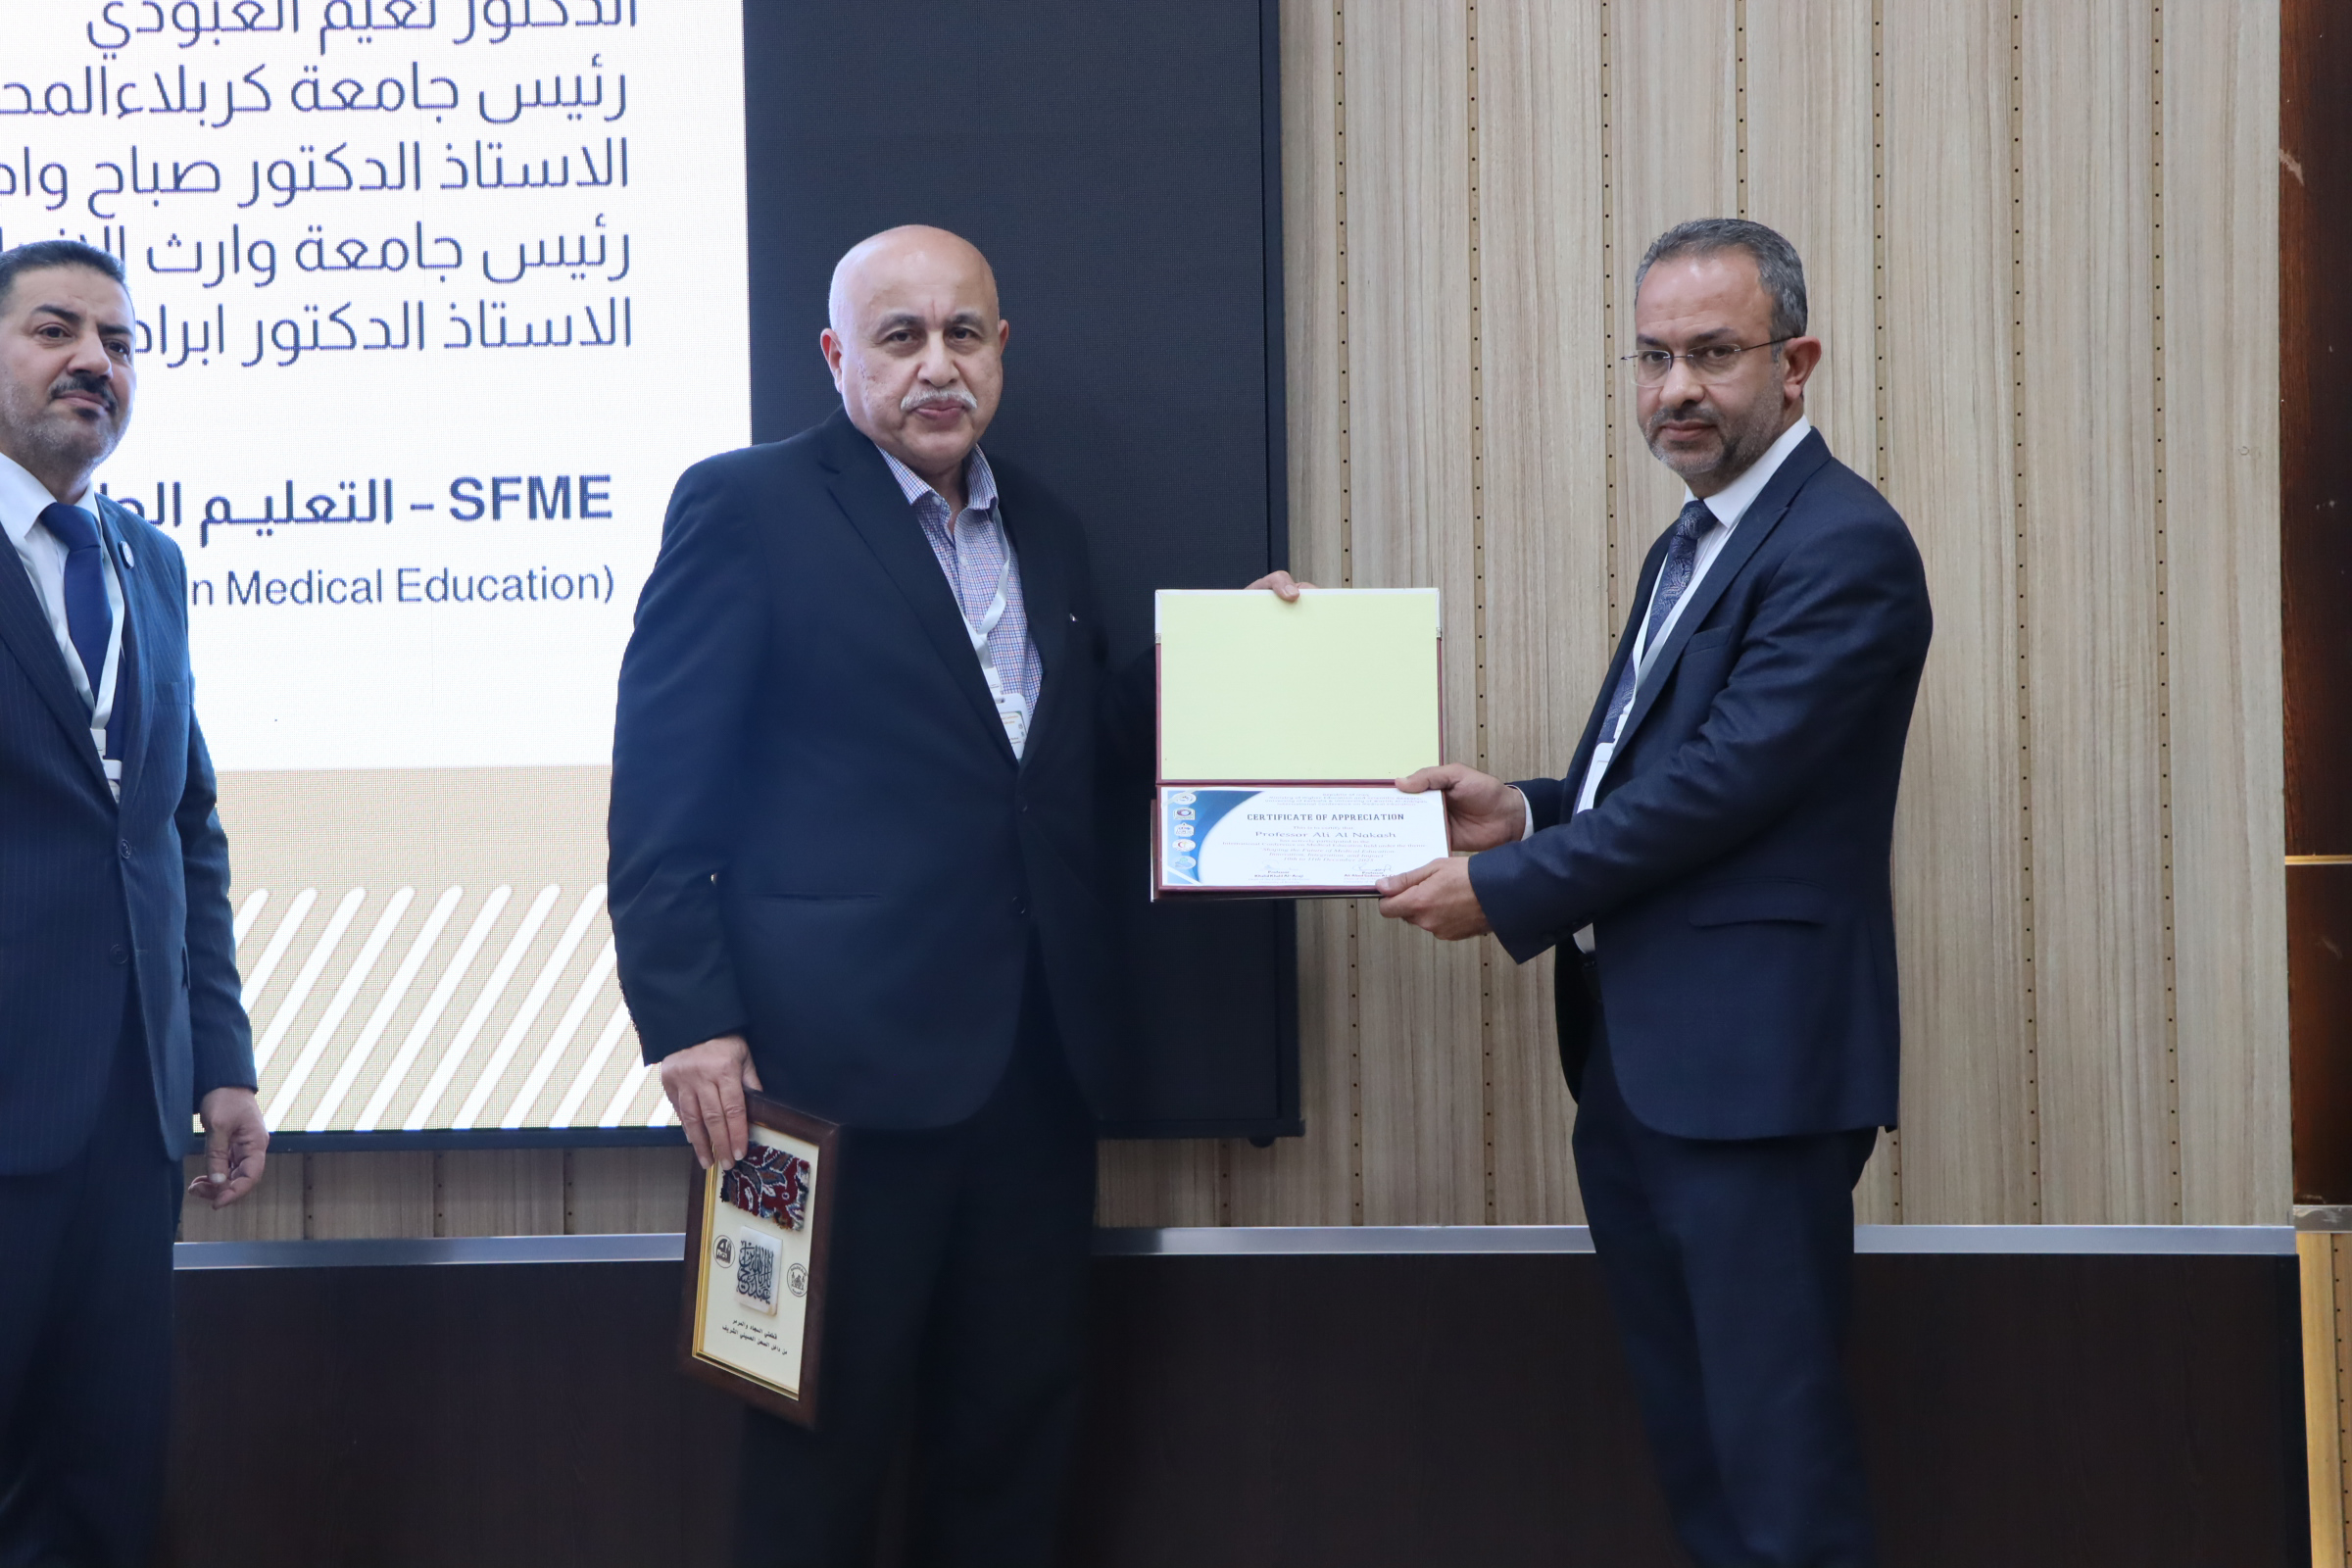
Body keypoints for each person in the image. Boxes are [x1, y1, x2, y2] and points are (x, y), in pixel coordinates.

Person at [1365, 220, 1932, 1566]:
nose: (1676, 387)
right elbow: (1662, 775)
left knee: (1778, 1468)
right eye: (1653, 356)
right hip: (1643, 1066)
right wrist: (1527, 811)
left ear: (1795, 364)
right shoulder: (1697, 539)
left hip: (1752, 1079)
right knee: (1700, 1449)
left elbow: (1727, 787)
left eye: (1714, 354)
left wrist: (1510, 884)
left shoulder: (1842, 544)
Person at [612, 224, 1166, 1565]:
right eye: (900, 337)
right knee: (815, 1459)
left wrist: (1244, 661)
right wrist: (689, 1019)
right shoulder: (745, 506)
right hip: (821, 1086)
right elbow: (662, 787)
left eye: (962, 334)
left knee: (1013, 1448)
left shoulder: (1047, 526)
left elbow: (1064, 764)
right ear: (836, 355)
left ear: (1001, 350)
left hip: (1034, 1074)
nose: (936, 366)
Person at [0, 240, 267, 1565]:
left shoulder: (147, 563)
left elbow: (178, 828)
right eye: (55, 330)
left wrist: (219, 1056)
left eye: (117, 341)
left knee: (106, 1480)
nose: (93, 361)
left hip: (130, 1119)